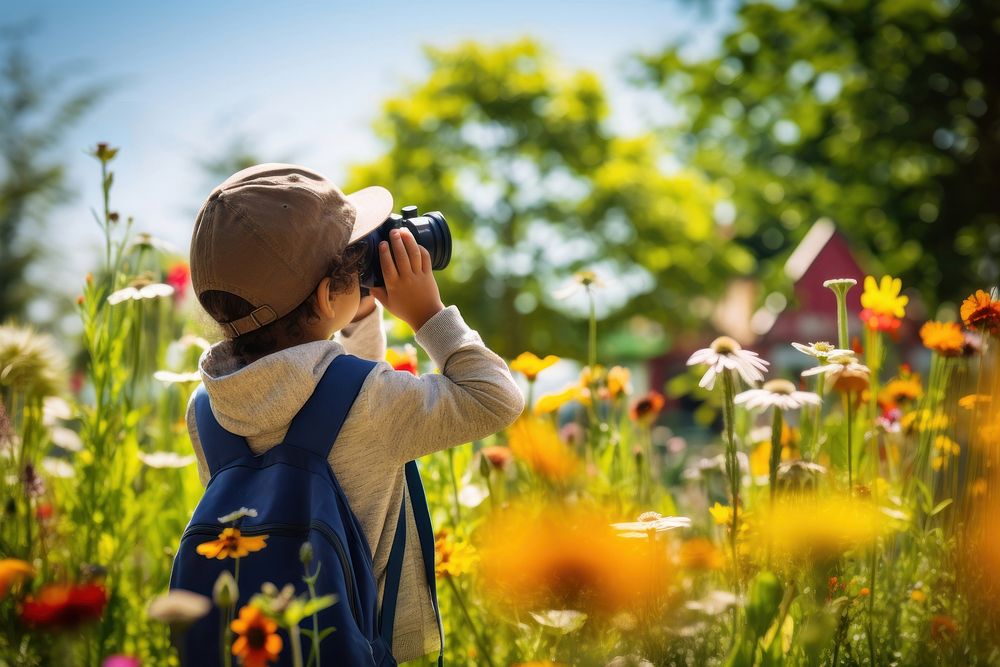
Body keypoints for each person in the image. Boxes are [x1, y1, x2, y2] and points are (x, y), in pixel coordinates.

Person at [185, 163, 524, 662]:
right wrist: (429, 316)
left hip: (268, 645)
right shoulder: (369, 402)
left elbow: (327, 407)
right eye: (354, 258)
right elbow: (494, 397)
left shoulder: (207, 411)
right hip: (362, 647)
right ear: (326, 296)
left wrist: (357, 312)